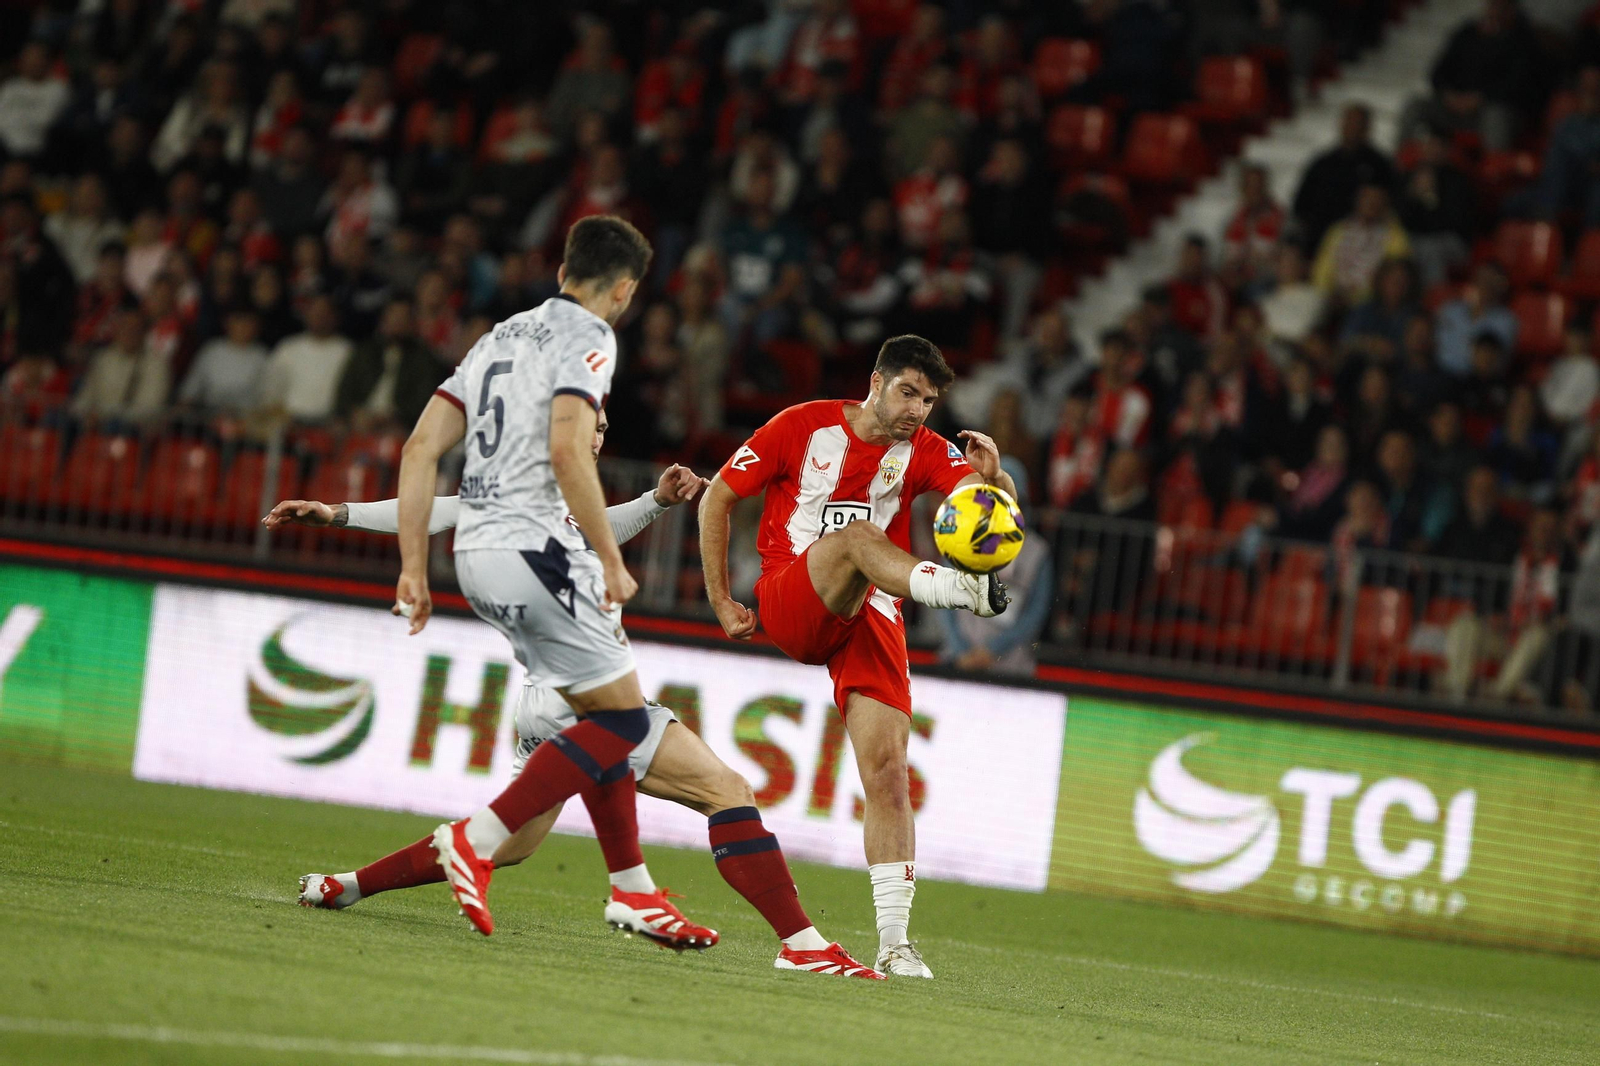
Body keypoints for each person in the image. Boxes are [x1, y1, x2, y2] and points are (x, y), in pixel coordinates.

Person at [269, 409, 880, 979]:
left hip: (542, 703)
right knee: (727, 791)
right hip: (583, 693)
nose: (599, 435)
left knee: (506, 845)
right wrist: (338, 513)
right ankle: (801, 945)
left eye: (604, 426)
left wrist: (655, 502)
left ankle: (346, 884)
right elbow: (434, 508)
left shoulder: (557, 505)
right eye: (591, 424)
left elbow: (592, 527)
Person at [697, 334, 1013, 979]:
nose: (918, 409)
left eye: (928, 399)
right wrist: (723, 602)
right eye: (908, 392)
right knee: (859, 535)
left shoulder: (926, 451)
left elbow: (992, 521)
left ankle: (895, 944)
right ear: (876, 381)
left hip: (873, 607)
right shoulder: (800, 426)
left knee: (890, 772)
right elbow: (716, 499)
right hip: (793, 594)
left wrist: (995, 477)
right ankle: (956, 592)